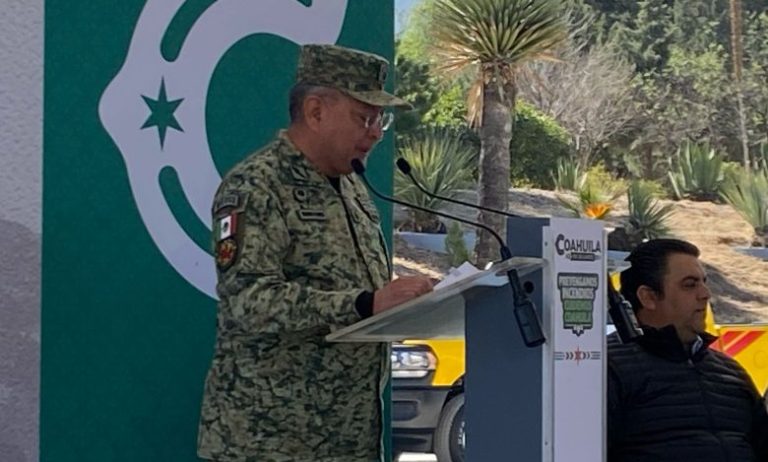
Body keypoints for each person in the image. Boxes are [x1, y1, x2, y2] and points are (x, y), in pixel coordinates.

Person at [197, 44, 434, 462]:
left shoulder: (352, 186)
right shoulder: (257, 185)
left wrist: (401, 303)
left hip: (349, 438)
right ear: (316, 112)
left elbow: (356, 286)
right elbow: (247, 301)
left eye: (380, 120)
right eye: (364, 118)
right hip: (271, 442)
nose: (376, 133)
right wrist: (364, 304)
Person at [608, 238, 768, 461]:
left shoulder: (731, 372)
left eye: (704, 282)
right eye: (690, 285)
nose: (705, 294)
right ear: (648, 297)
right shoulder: (608, 370)